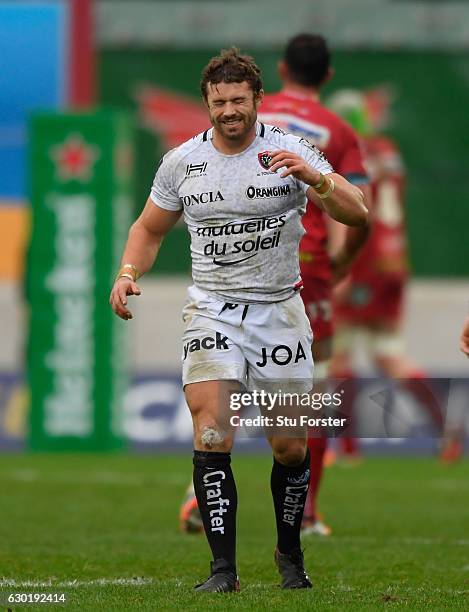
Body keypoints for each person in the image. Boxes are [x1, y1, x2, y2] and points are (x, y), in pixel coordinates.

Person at [110, 48, 368, 593]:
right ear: (207, 103)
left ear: (257, 100)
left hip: (280, 312)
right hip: (212, 310)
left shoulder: (292, 150)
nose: (228, 110)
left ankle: (289, 555)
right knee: (211, 430)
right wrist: (128, 271)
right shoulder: (182, 162)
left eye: (238, 100)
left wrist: (317, 181)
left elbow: (356, 210)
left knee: (290, 447)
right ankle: (221, 570)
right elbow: (149, 228)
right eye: (218, 101)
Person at [258, 34, 371, 535]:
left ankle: (199, 497)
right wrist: (342, 262)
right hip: (309, 268)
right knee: (314, 387)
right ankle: (306, 512)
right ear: (327, 76)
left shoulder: (247, 114)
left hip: (246, 264)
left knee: (231, 374)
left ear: (282, 69)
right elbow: (359, 211)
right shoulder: (340, 132)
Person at [327, 89, 449, 459]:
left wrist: (341, 268)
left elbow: (350, 210)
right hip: (394, 264)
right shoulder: (388, 151)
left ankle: (347, 448)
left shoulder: (351, 155)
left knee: (341, 355)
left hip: (363, 264)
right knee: (389, 354)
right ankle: (446, 429)